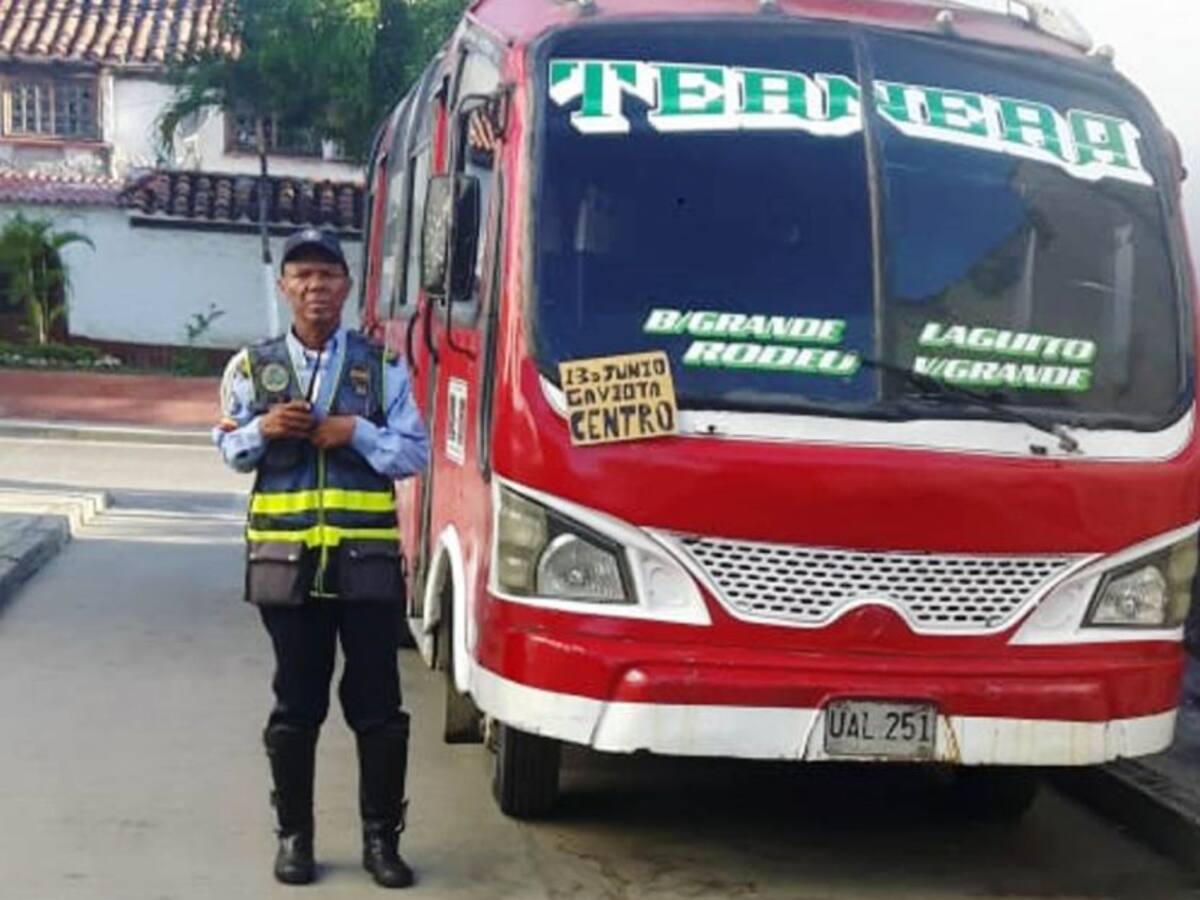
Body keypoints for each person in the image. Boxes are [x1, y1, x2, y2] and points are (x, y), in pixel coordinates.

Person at [214, 227, 429, 888]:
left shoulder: (381, 365)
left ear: (346, 287)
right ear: (285, 287)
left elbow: (414, 452)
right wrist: (262, 430)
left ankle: (381, 842)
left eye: (327, 276)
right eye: (302, 276)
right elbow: (228, 449)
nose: (315, 287)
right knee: (296, 705)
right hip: (288, 567)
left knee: (378, 707)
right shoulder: (251, 367)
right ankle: (294, 839)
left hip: (365, 567)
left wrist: (354, 432)